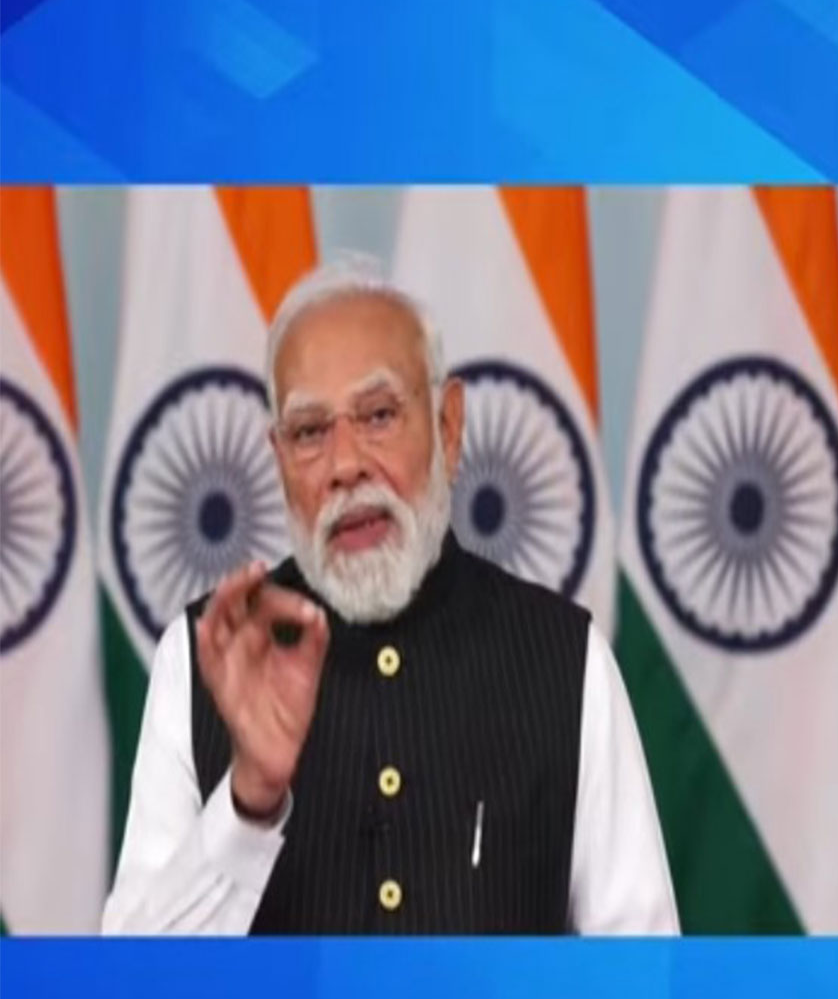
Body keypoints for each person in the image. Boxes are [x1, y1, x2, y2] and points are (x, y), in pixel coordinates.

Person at [104, 260, 677, 935]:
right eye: (310, 432)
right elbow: (136, 998)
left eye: (377, 416)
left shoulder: (565, 656)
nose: (346, 465)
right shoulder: (204, 659)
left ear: (449, 425)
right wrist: (248, 801)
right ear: (278, 456)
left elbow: (640, 989)